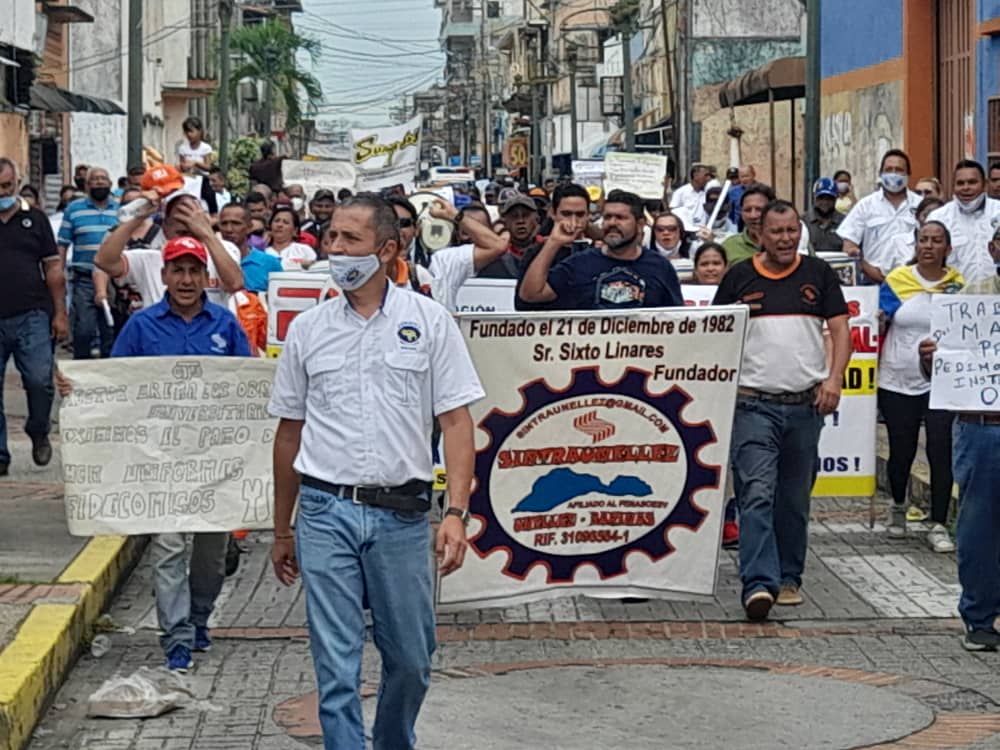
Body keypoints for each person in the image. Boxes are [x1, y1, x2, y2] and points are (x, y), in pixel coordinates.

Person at [268, 193, 484, 749]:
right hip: (324, 512)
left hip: (403, 519)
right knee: (336, 668)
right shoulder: (308, 330)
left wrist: (456, 513)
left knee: (412, 661)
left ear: (388, 249)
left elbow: (457, 424)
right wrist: (282, 527)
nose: (335, 249)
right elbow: (289, 432)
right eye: (331, 237)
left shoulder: (430, 322)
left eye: (350, 239)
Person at [84, 235, 249, 672]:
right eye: (178, 270)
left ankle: (199, 618)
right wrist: (78, 388)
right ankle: (175, 635)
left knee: (211, 555)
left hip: (213, 460)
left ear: (204, 277)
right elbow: (118, 382)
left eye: (195, 270)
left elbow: (249, 388)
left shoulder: (224, 325)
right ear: (164, 276)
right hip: (160, 460)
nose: (187, 279)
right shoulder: (141, 326)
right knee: (169, 547)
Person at [714, 200, 851, 621]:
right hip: (753, 404)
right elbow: (717, 335)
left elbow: (841, 330)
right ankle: (758, 583)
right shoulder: (738, 277)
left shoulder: (819, 274)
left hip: (805, 405)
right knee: (755, 492)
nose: (786, 239)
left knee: (793, 499)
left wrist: (833, 379)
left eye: (792, 230)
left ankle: (790, 576)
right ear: (760, 234)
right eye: (777, 232)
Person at [918, 237, 1000, 652]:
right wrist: (930, 357)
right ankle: (980, 617)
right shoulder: (970, 296)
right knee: (978, 527)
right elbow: (940, 369)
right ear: (993, 247)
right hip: (981, 426)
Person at [878, 220, 963, 551]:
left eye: (936, 240)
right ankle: (898, 505)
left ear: (948, 248)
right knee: (902, 449)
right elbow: (876, 321)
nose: (928, 245)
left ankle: (939, 522)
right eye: (923, 240)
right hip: (898, 379)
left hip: (943, 381)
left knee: (942, 451)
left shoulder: (959, 286)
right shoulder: (897, 282)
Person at [94, 166, 244, 309]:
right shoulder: (149, 258)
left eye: (191, 212)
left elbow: (235, 284)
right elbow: (103, 261)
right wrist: (139, 216)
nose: (185, 220)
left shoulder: (224, 249)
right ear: (165, 224)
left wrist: (206, 232)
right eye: (178, 213)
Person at [0, 157, 67, 473]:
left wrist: (60, 313)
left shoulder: (36, 219)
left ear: (17, 183)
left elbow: (53, 267)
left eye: (6, 186)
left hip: (33, 314)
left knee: (40, 380)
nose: (2, 192)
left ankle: (38, 429)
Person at [519, 189, 683, 310]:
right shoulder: (580, 263)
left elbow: (677, 321)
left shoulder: (660, 267)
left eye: (620, 218)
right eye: (607, 217)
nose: (612, 223)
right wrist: (554, 242)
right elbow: (531, 294)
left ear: (640, 224)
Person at [58, 167, 119, 359]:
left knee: (111, 330)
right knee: (83, 330)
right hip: (84, 279)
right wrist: (58, 273)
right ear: (87, 185)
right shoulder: (73, 210)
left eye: (103, 178)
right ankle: (81, 373)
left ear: (110, 184)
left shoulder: (120, 210)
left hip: (114, 280)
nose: (100, 182)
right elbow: (62, 244)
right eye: (95, 179)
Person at [836, 150, 921, 283]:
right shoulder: (865, 205)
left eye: (899, 170)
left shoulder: (920, 205)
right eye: (888, 170)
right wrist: (866, 267)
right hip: (873, 281)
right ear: (880, 174)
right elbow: (849, 245)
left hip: (914, 282)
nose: (893, 174)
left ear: (908, 175)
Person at [425, 200, 509, 311]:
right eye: (466, 231)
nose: (472, 236)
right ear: (458, 234)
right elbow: (498, 246)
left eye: (478, 231)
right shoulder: (445, 261)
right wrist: (454, 215)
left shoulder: (508, 266)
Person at [926, 159, 1000, 283]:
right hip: (955, 296)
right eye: (960, 183)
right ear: (953, 186)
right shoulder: (938, 218)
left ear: (985, 185)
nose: (966, 188)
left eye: (972, 182)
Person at [218, 203, 283, 293]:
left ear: (249, 227)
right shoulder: (208, 261)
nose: (229, 229)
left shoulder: (270, 263)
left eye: (236, 223)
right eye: (224, 223)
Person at [477, 194, 541, 279]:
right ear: (505, 221)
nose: (520, 221)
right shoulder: (493, 256)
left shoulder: (550, 252)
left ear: (536, 219)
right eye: (514, 216)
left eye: (525, 215)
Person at [882, 196, 945, 277]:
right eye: (926, 215)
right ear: (917, 217)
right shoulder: (897, 242)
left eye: (937, 216)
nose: (930, 220)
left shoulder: (948, 243)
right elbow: (885, 272)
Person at [722, 182, 777, 265]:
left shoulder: (784, 243)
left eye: (759, 209)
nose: (753, 215)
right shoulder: (729, 247)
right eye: (747, 210)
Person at [802, 177, 845, 253]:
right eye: (821, 198)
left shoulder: (844, 222)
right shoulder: (803, 222)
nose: (825, 202)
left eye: (830, 198)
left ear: (836, 199)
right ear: (814, 197)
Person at [267, 205, 316, 270]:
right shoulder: (262, 251)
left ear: (295, 231)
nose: (279, 225)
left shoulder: (305, 250)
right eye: (276, 221)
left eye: (286, 222)